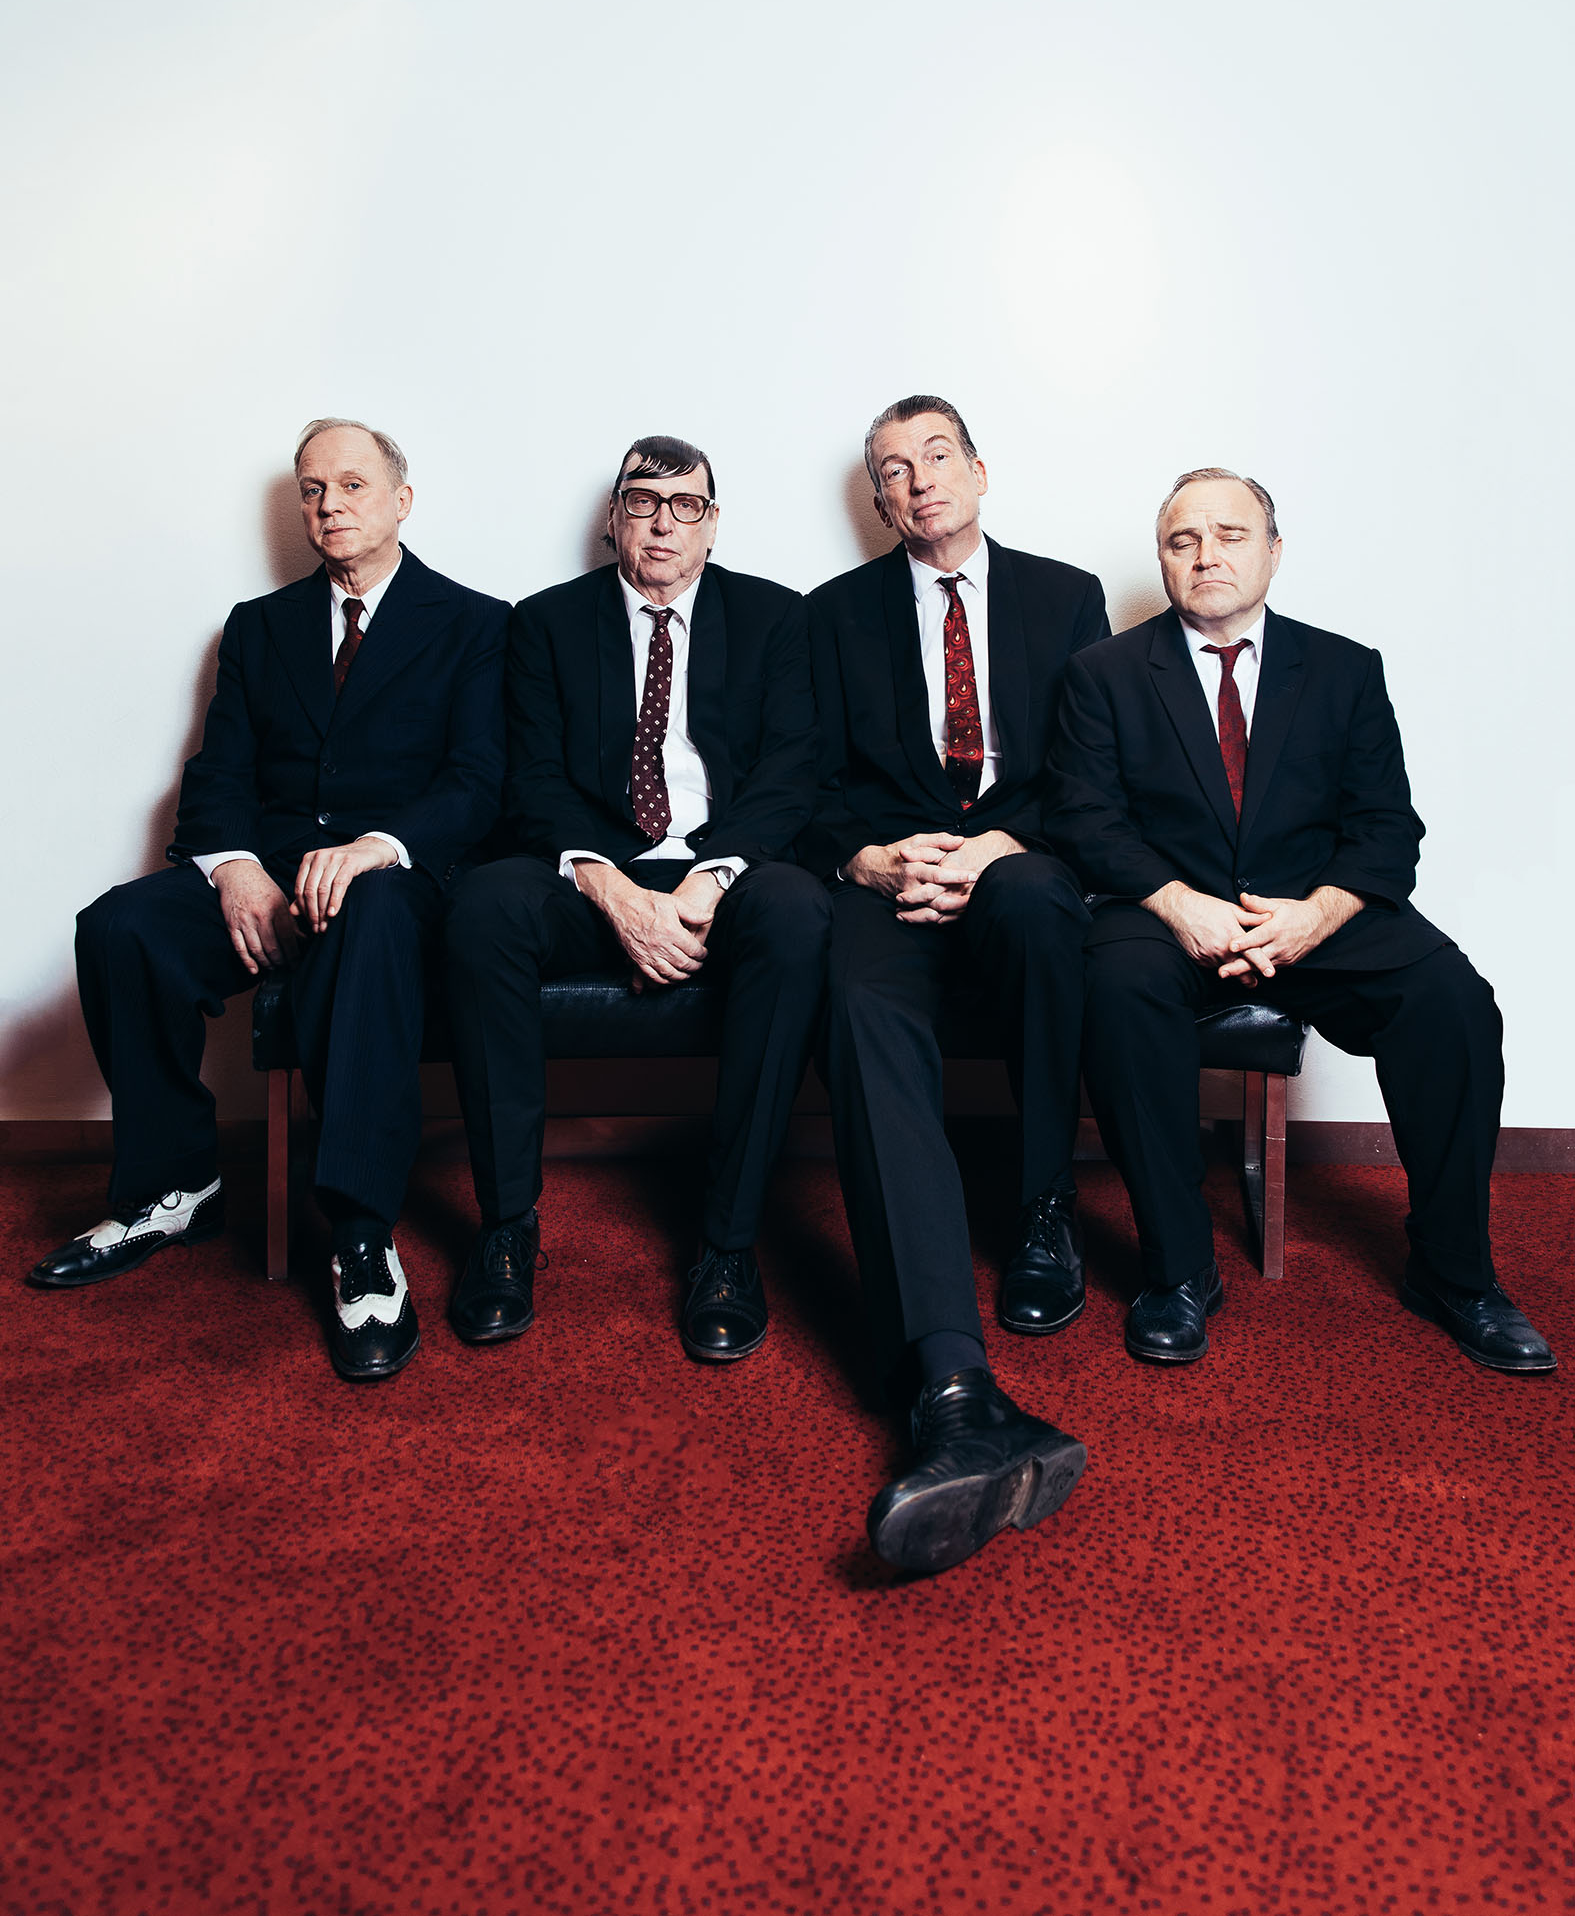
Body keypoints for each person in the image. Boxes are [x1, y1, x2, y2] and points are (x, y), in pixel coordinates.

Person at [27, 421, 510, 1386]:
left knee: (373, 916)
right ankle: (175, 1187)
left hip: (390, 879)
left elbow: (477, 782)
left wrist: (376, 848)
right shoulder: (258, 625)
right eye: (311, 489)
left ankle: (362, 1236)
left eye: (351, 485)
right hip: (271, 872)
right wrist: (234, 868)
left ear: (402, 500)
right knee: (120, 926)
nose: (329, 505)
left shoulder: (475, 622)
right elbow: (218, 773)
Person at [1046, 465, 1555, 1373]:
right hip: (1165, 912)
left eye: (1229, 535)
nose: (1205, 555)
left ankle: (1454, 1271)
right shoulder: (1103, 674)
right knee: (1115, 987)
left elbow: (1386, 826)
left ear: (1274, 552)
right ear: (1162, 561)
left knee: (1452, 999)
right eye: (1181, 541)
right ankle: (1178, 1269)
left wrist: (1316, 917)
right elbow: (1084, 819)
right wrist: (1177, 904)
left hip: (1309, 909)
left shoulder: (1344, 668)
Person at [443, 434, 832, 1360]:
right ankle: (505, 1228)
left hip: (721, 870)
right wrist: (612, 888)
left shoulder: (776, 617)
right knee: (484, 907)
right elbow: (531, 779)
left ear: (711, 522)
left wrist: (709, 878)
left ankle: (728, 1245)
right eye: (642, 503)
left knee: (797, 913)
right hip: (594, 872)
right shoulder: (545, 622)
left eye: (684, 505)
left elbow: (791, 774)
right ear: (615, 517)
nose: (663, 524)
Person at [806, 395, 1108, 1574]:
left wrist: (998, 849)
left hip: (1013, 864)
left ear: (981, 471)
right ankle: (951, 1384)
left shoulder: (1065, 598)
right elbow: (807, 785)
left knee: (1038, 902)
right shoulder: (833, 615)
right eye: (893, 469)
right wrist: (870, 859)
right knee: (860, 1002)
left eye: (937, 456)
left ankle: (1042, 1209)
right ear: (880, 502)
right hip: (888, 879)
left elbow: (1088, 775)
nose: (919, 479)